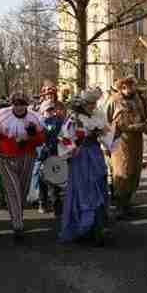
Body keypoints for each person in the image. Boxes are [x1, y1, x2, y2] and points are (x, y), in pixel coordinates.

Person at [58, 89, 111, 244]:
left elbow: (107, 133)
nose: (92, 106)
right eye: (89, 103)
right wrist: (74, 146)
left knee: (99, 187)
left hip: (95, 155)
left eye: (94, 103)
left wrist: (105, 138)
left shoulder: (97, 116)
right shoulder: (74, 118)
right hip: (80, 158)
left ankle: (97, 228)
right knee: (83, 190)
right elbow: (64, 138)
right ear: (82, 104)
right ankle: (82, 227)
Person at [0, 92, 45, 240]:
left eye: (22, 104)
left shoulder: (34, 118)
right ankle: (17, 225)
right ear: (12, 104)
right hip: (6, 158)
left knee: (22, 191)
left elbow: (41, 140)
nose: (19, 107)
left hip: (27, 158)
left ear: (27, 105)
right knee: (13, 191)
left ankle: (17, 217)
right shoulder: (2, 117)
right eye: (16, 104)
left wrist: (32, 134)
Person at [106, 76, 147, 219]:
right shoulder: (113, 100)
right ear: (121, 87)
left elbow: (144, 117)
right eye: (126, 85)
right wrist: (106, 143)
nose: (130, 88)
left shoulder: (138, 99)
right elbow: (106, 121)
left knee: (134, 172)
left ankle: (127, 204)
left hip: (136, 141)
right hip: (120, 142)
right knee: (122, 172)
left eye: (132, 85)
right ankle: (119, 207)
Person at [33, 99, 64, 214]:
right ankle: (42, 203)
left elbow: (63, 134)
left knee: (55, 180)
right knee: (42, 180)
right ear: (42, 111)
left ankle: (56, 204)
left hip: (55, 154)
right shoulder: (38, 123)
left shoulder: (58, 121)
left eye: (51, 109)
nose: (50, 112)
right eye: (47, 110)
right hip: (41, 155)